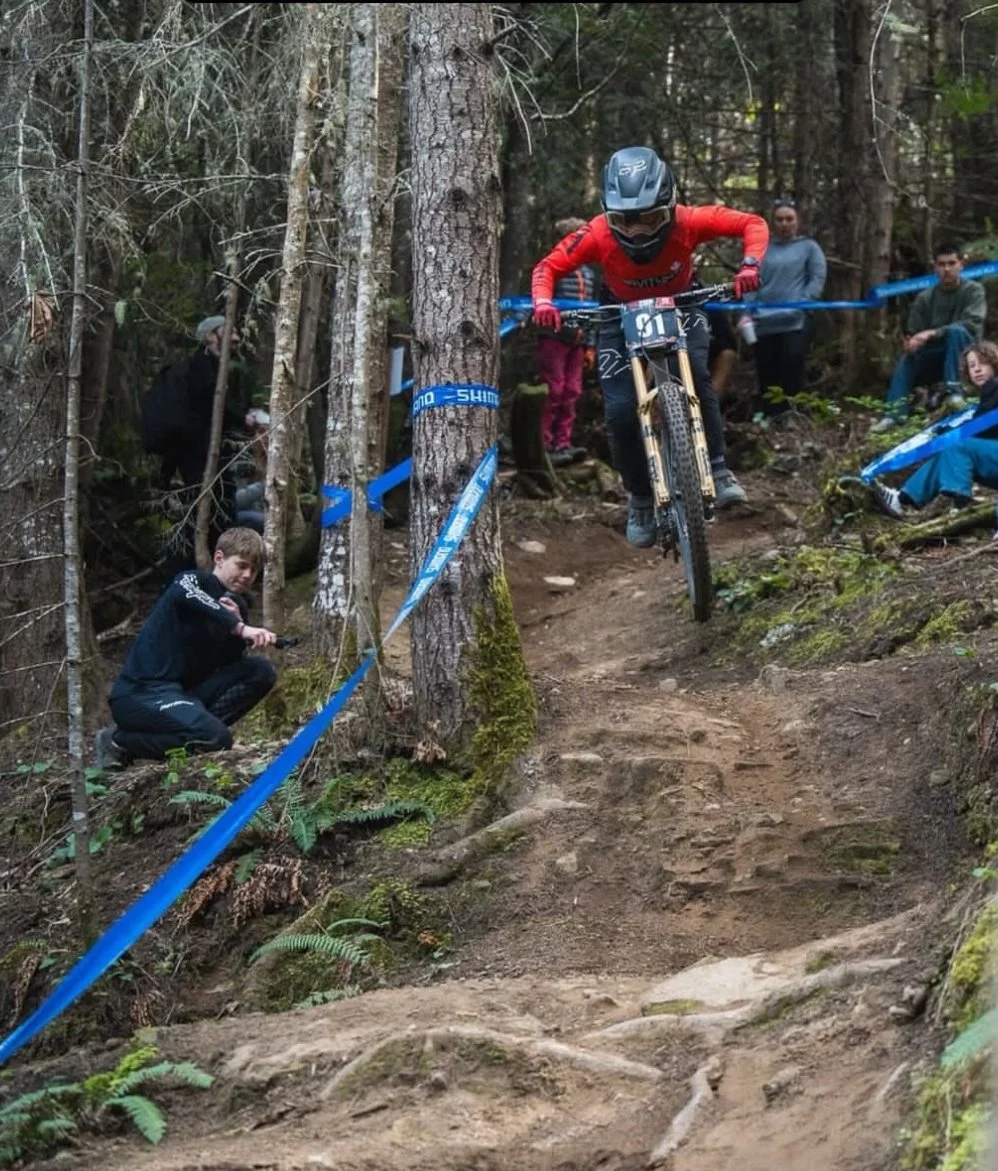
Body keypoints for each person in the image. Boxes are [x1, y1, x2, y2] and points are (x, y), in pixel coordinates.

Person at [531, 146, 768, 548]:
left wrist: (750, 266)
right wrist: (543, 303)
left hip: (682, 303)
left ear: (670, 206)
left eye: (650, 218)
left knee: (697, 376)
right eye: (625, 220)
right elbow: (547, 267)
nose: (638, 231)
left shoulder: (690, 221)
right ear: (609, 214)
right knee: (622, 410)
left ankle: (718, 467)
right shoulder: (597, 234)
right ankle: (640, 498)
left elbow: (752, 223)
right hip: (617, 312)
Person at [94, 527, 278, 769]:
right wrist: (238, 626)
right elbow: (184, 592)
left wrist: (237, 630)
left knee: (261, 670)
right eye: (241, 565)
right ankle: (119, 741)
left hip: (182, 695)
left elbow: (228, 664)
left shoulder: (237, 606)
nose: (247, 575)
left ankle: (199, 730)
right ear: (219, 558)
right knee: (217, 738)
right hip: (140, 696)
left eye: (253, 570)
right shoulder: (192, 581)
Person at [868, 341, 998, 523]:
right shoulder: (986, 396)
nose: (977, 369)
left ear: (994, 362)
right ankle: (903, 498)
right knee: (946, 452)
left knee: (957, 444)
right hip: (991, 458)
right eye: (972, 365)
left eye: (982, 363)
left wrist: (954, 432)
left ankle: (959, 502)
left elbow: (986, 427)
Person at [870, 243, 987, 433]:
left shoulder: (973, 291)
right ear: (935, 267)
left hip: (968, 354)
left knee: (956, 332)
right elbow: (914, 331)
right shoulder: (925, 297)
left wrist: (933, 332)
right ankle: (894, 414)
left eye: (951, 263)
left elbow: (971, 324)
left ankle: (954, 392)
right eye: (941, 264)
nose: (946, 269)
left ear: (961, 265)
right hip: (936, 355)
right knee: (909, 358)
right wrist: (911, 343)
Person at [747, 199, 827, 425]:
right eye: (780, 219)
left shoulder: (809, 247)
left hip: (795, 321)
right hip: (763, 321)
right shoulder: (761, 249)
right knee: (766, 369)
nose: (784, 223)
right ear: (773, 222)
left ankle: (790, 414)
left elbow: (817, 277)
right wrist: (747, 310)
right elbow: (750, 281)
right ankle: (769, 414)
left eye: (789, 219)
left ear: (797, 221)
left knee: (792, 366)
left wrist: (803, 302)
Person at [534, 217, 596, 466]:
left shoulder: (589, 273)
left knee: (572, 391)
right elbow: (539, 302)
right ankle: (544, 444)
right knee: (554, 390)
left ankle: (563, 443)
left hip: (578, 341)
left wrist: (591, 344)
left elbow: (592, 312)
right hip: (554, 338)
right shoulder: (553, 268)